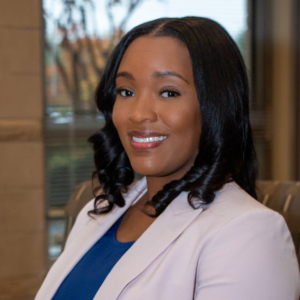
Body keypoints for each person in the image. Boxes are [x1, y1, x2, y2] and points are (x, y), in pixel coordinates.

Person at [36, 17, 300, 300]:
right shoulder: (99, 210)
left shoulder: (249, 233)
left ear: (216, 107)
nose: (138, 114)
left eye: (168, 92)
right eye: (126, 91)